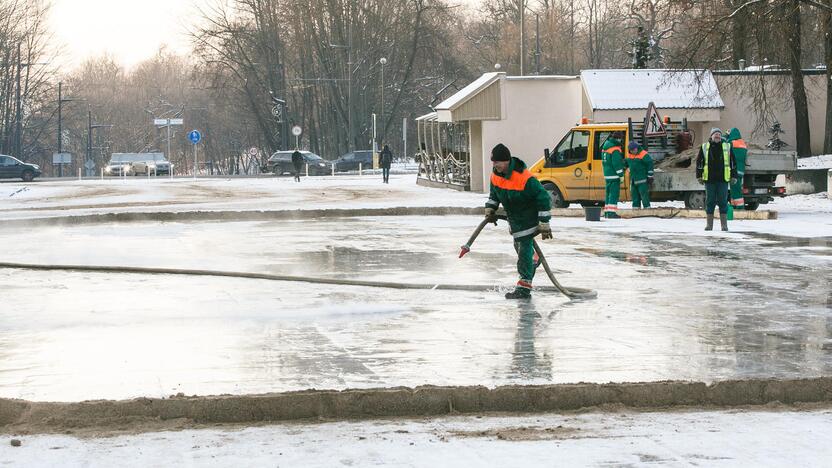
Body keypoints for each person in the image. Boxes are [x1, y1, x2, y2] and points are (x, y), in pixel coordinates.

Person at [485, 143, 552, 300]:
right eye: (493, 162)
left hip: (528, 218)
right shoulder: (495, 176)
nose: (495, 165)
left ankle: (524, 288)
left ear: (506, 161)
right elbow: (494, 195)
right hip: (514, 219)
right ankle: (533, 261)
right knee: (519, 247)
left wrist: (544, 221)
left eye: (497, 162)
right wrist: (490, 208)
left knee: (523, 252)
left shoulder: (524, 178)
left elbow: (543, 197)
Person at [696, 128, 737, 231]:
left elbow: (733, 163)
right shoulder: (705, 147)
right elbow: (699, 162)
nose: (717, 136)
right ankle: (709, 225)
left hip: (722, 179)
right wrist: (699, 176)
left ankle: (724, 225)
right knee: (710, 201)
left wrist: (734, 176)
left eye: (719, 134)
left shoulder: (727, 146)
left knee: (723, 201)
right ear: (711, 136)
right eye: (715, 134)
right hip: (709, 180)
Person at [601, 132, 625, 218]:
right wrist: (621, 175)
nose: (621, 140)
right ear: (618, 139)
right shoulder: (615, 149)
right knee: (614, 194)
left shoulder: (605, 147)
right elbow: (617, 164)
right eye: (620, 138)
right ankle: (611, 213)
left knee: (608, 194)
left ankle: (607, 212)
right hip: (614, 175)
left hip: (607, 175)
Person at [625, 141, 654, 209]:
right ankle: (635, 209)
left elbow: (650, 165)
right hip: (633, 180)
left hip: (642, 180)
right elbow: (626, 163)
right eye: (631, 150)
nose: (633, 151)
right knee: (634, 196)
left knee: (644, 196)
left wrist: (650, 176)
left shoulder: (643, 154)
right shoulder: (629, 155)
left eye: (634, 149)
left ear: (637, 148)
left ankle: (647, 209)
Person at [725, 128, 748, 210]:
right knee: (735, 188)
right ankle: (734, 205)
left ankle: (739, 207)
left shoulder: (731, 143)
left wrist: (726, 135)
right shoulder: (743, 144)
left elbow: (724, 144)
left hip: (734, 170)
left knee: (735, 189)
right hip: (741, 170)